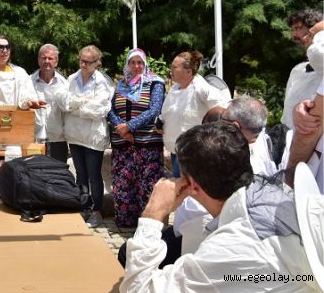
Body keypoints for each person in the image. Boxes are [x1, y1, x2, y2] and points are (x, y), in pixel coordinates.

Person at [120, 123, 319, 292]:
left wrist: (152, 216)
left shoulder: (230, 249)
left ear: (192, 186)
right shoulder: (275, 193)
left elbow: (138, 287)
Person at [56, 45, 114, 228]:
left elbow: (100, 109)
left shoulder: (103, 82)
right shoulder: (72, 78)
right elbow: (64, 103)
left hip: (93, 136)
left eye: (88, 62)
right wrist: (82, 103)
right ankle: (83, 207)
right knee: (80, 174)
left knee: (93, 174)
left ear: (97, 63)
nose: (83, 64)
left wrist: (77, 107)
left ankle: (96, 211)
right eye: (81, 60)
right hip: (74, 134)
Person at [108, 48, 166, 228]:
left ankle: (148, 225)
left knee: (147, 185)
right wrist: (122, 130)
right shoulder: (120, 85)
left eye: (140, 62)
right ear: (127, 64)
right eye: (132, 62)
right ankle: (125, 222)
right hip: (122, 143)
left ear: (145, 63)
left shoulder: (155, 83)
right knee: (123, 184)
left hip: (147, 143)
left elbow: (155, 109)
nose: (136, 66)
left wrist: (130, 126)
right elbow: (109, 109)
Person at [158, 50, 229, 177]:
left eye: (175, 67)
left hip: (194, 154)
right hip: (176, 150)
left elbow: (223, 109)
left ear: (188, 71)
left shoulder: (202, 89)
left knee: (191, 193)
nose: (171, 70)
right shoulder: (175, 88)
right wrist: (159, 122)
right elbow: (166, 112)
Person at [282, 9, 323, 129]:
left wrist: (315, 31)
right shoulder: (297, 70)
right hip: (291, 138)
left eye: (298, 28)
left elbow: (317, 53)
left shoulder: (320, 59)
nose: (294, 35)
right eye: (293, 30)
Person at [30, 44, 69, 162]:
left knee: (57, 176)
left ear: (56, 62)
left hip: (57, 139)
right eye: (43, 58)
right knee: (34, 176)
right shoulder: (28, 82)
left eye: (50, 58)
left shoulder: (64, 83)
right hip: (34, 139)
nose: (47, 61)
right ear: (38, 60)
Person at [221, 97, 276, 176]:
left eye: (222, 119)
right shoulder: (264, 141)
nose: (218, 123)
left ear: (235, 127)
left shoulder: (238, 166)